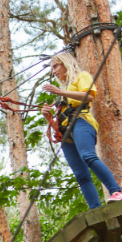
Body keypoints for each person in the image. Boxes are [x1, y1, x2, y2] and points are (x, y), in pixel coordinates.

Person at [41, 52, 122, 208]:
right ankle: (95, 209)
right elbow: (58, 125)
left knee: (88, 156)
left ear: (65, 63)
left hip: (81, 122)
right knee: (81, 175)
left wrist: (59, 92)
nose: (54, 71)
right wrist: (49, 118)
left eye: (56, 66)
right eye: (52, 68)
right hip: (66, 134)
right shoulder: (62, 93)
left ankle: (116, 191)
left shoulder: (81, 77)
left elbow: (89, 97)